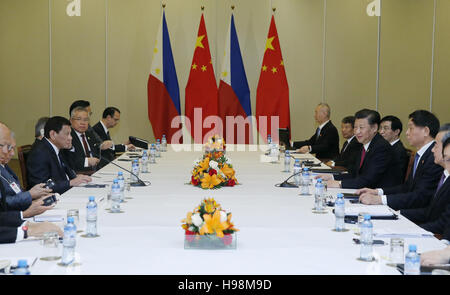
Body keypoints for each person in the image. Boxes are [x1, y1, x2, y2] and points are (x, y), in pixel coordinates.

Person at [357, 111, 443, 210]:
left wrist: (380, 200)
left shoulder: (433, 158)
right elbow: (407, 187)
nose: (406, 133)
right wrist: (377, 192)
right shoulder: (422, 155)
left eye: (411, 128)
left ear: (426, 131)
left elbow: (420, 196)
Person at [319, 109, 397, 189]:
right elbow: (354, 173)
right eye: (355, 127)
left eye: (361, 127)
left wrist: (339, 184)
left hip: (377, 195)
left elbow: (368, 180)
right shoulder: (364, 145)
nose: (357, 132)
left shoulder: (381, 147)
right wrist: (332, 177)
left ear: (374, 128)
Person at [399, 132, 450, 236]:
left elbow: (443, 223)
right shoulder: (444, 174)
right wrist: (399, 213)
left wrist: (410, 231)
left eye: (436, 145)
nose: (432, 150)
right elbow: (430, 211)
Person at [27, 116, 92, 194]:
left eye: (70, 134)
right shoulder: (39, 153)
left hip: (66, 191)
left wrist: (76, 177)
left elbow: (68, 169)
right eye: (67, 134)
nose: (70, 138)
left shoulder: (56, 147)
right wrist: (71, 182)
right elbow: (43, 186)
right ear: (53, 134)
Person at [0, 122, 53, 211]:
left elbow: (17, 192)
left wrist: (34, 199)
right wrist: (30, 195)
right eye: (9, 147)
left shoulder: (4, 166)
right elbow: (3, 203)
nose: (12, 153)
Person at [65, 106, 106, 172]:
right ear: (71, 121)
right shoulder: (67, 137)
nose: (83, 123)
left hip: (96, 172)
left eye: (86, 120)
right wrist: (87, 161)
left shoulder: (89, 134)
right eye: (78, 119)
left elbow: (97, 155)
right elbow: (68, 161)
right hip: (79, 174)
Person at [379, 115, 409, 183]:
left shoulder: (399, 151)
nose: (381, 132)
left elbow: (395, 179)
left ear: (396, 132)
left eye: (385, 128)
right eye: (380, 128)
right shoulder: (386, 147)